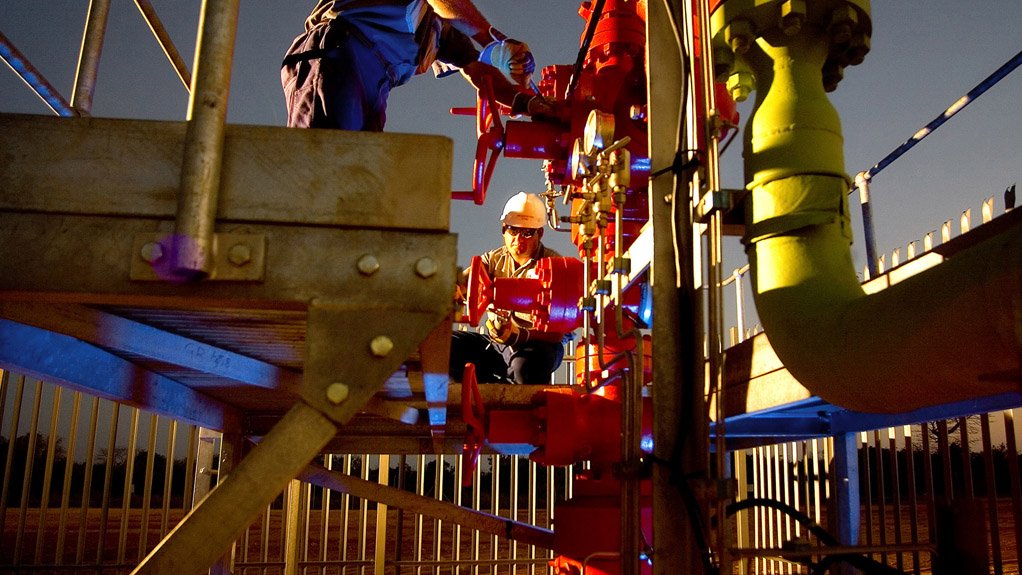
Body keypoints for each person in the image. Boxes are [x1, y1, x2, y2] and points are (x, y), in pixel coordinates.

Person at [281, 0, 552, 131]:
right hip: (339, 53)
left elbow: (475, 68)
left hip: (374, 84)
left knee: (359, 178)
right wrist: (492, 37)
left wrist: (524, 101)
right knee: (321, 168)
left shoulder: (436, 24)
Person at [450, 192, 567, 384]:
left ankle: (524, 407)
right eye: (513, 230)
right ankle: (493, 390)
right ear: (504, 229)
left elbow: (558, 333)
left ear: (540, 233)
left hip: (538, 346)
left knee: (526, 368)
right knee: (449, 346)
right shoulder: (493, 260)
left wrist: (518, 334)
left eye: (527, 233)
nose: (518, 239)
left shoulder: (555, 266)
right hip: (497, 345)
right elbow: (464, 281)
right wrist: (454, 287)